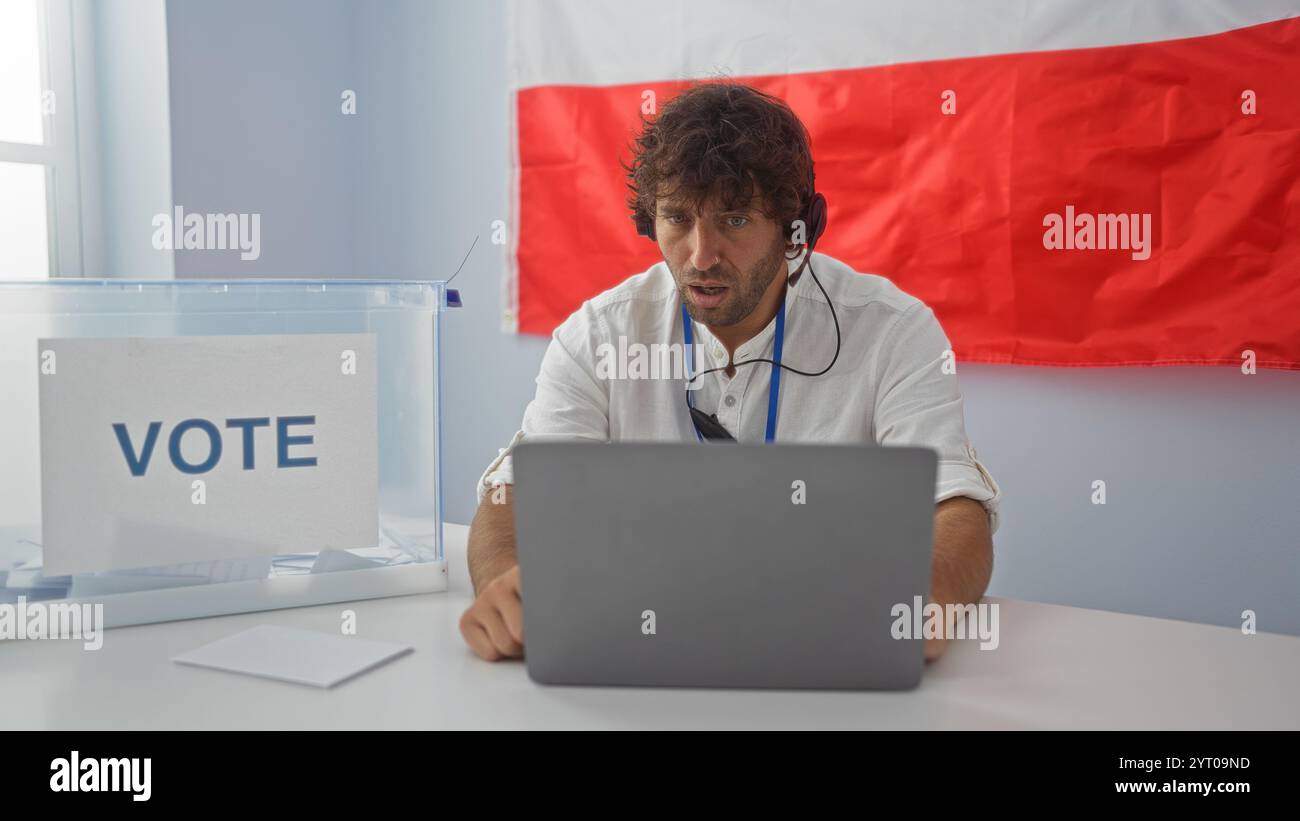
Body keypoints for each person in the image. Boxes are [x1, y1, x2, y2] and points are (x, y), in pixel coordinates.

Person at [460, 81, 1002, 663]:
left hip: (826, 655)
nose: (701, 255)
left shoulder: (893, 331)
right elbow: (516, 493)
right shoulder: (598, 335)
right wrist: (504, 583)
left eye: (735, 220)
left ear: (796, 228)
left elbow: (955, 505)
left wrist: (928, 598)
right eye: (677, 218)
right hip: (646, 651)